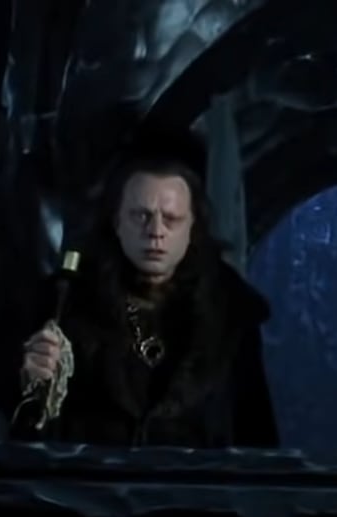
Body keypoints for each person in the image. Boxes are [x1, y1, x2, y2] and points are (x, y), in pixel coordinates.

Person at [14, 145, 279, 449]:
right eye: (141, 216)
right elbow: (24, 438)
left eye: (171, 218)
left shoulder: (231, 315)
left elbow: (255, 433)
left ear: (192, 227)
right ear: (117, 222)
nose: (155, 231)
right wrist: (34, 390)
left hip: (197, 479)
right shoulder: (66, 304)